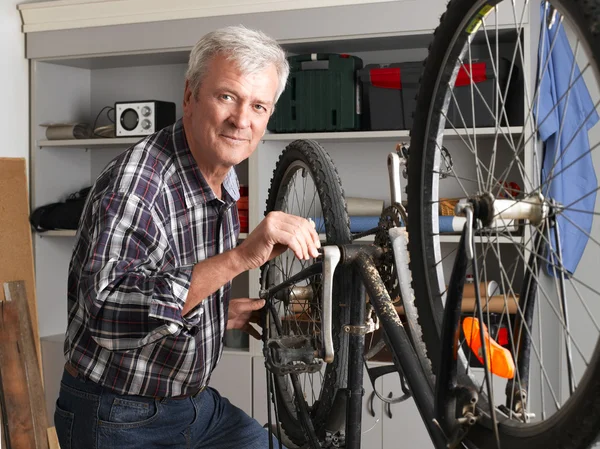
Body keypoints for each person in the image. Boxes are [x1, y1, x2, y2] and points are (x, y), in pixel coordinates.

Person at [54, 25, 320, 449]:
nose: (242, 120)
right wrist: (240, 257)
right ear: (190, 95)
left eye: (258, 106)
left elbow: (170, 282)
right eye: (227, 97)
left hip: (193, 408)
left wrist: (218, 312)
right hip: (117, 414)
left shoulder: (222, 175)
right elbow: (106, 310)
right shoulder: (138, 184)